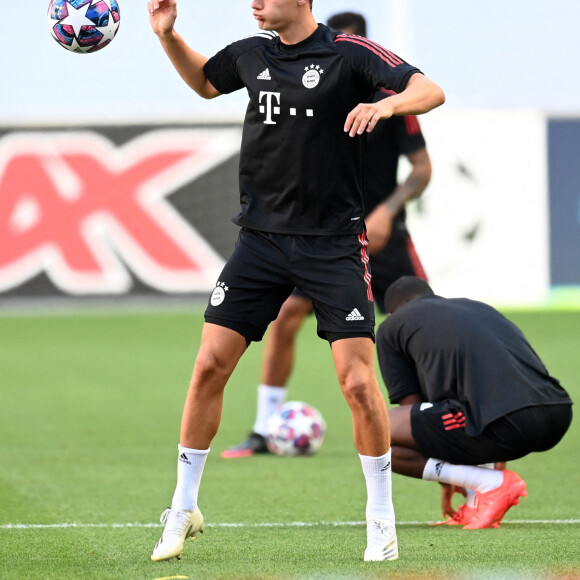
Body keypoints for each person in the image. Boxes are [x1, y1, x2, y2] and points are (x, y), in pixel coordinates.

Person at [147, 0, 445, 562]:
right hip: (258, 242)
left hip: (333, 245)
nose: (254, 2)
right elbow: (206, 84)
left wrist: (388, 108)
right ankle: (183, 506)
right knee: (209, 363)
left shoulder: (348, 54)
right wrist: (169, 36)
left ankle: (380, 518)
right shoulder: (251, 53)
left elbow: (431, 90)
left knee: (358, 383)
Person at [222, 11, 432, 460]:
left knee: (418, 324)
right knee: (284, 319)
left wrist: (386, 213)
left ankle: (437, 419)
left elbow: (421, 170)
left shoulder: (391, 99)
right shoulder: (306, 84)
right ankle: (264, 427)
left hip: (384, 235)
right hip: (324, 233)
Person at [376, 276, 573, 529]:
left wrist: (448, 471)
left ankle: (488, 483)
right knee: (466, 413)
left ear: (392, 311)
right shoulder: (479, 308)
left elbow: (411, 410)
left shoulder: (392, 326)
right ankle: (478, 500)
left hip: (505, 419)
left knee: (375, 430)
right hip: (556, 413)